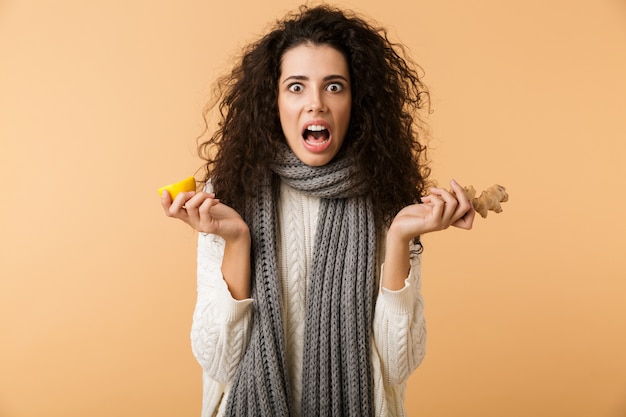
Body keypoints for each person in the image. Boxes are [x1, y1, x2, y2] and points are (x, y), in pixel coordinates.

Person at [161, 4, 474, 417]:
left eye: (334, 86)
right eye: (296, 87)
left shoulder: (386, 197)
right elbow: (218, 362)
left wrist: (399, 239)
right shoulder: (230, 195)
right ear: (272, 101)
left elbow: (399, 366)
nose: (315, 104)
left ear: (357, 101)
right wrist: (237, 242)